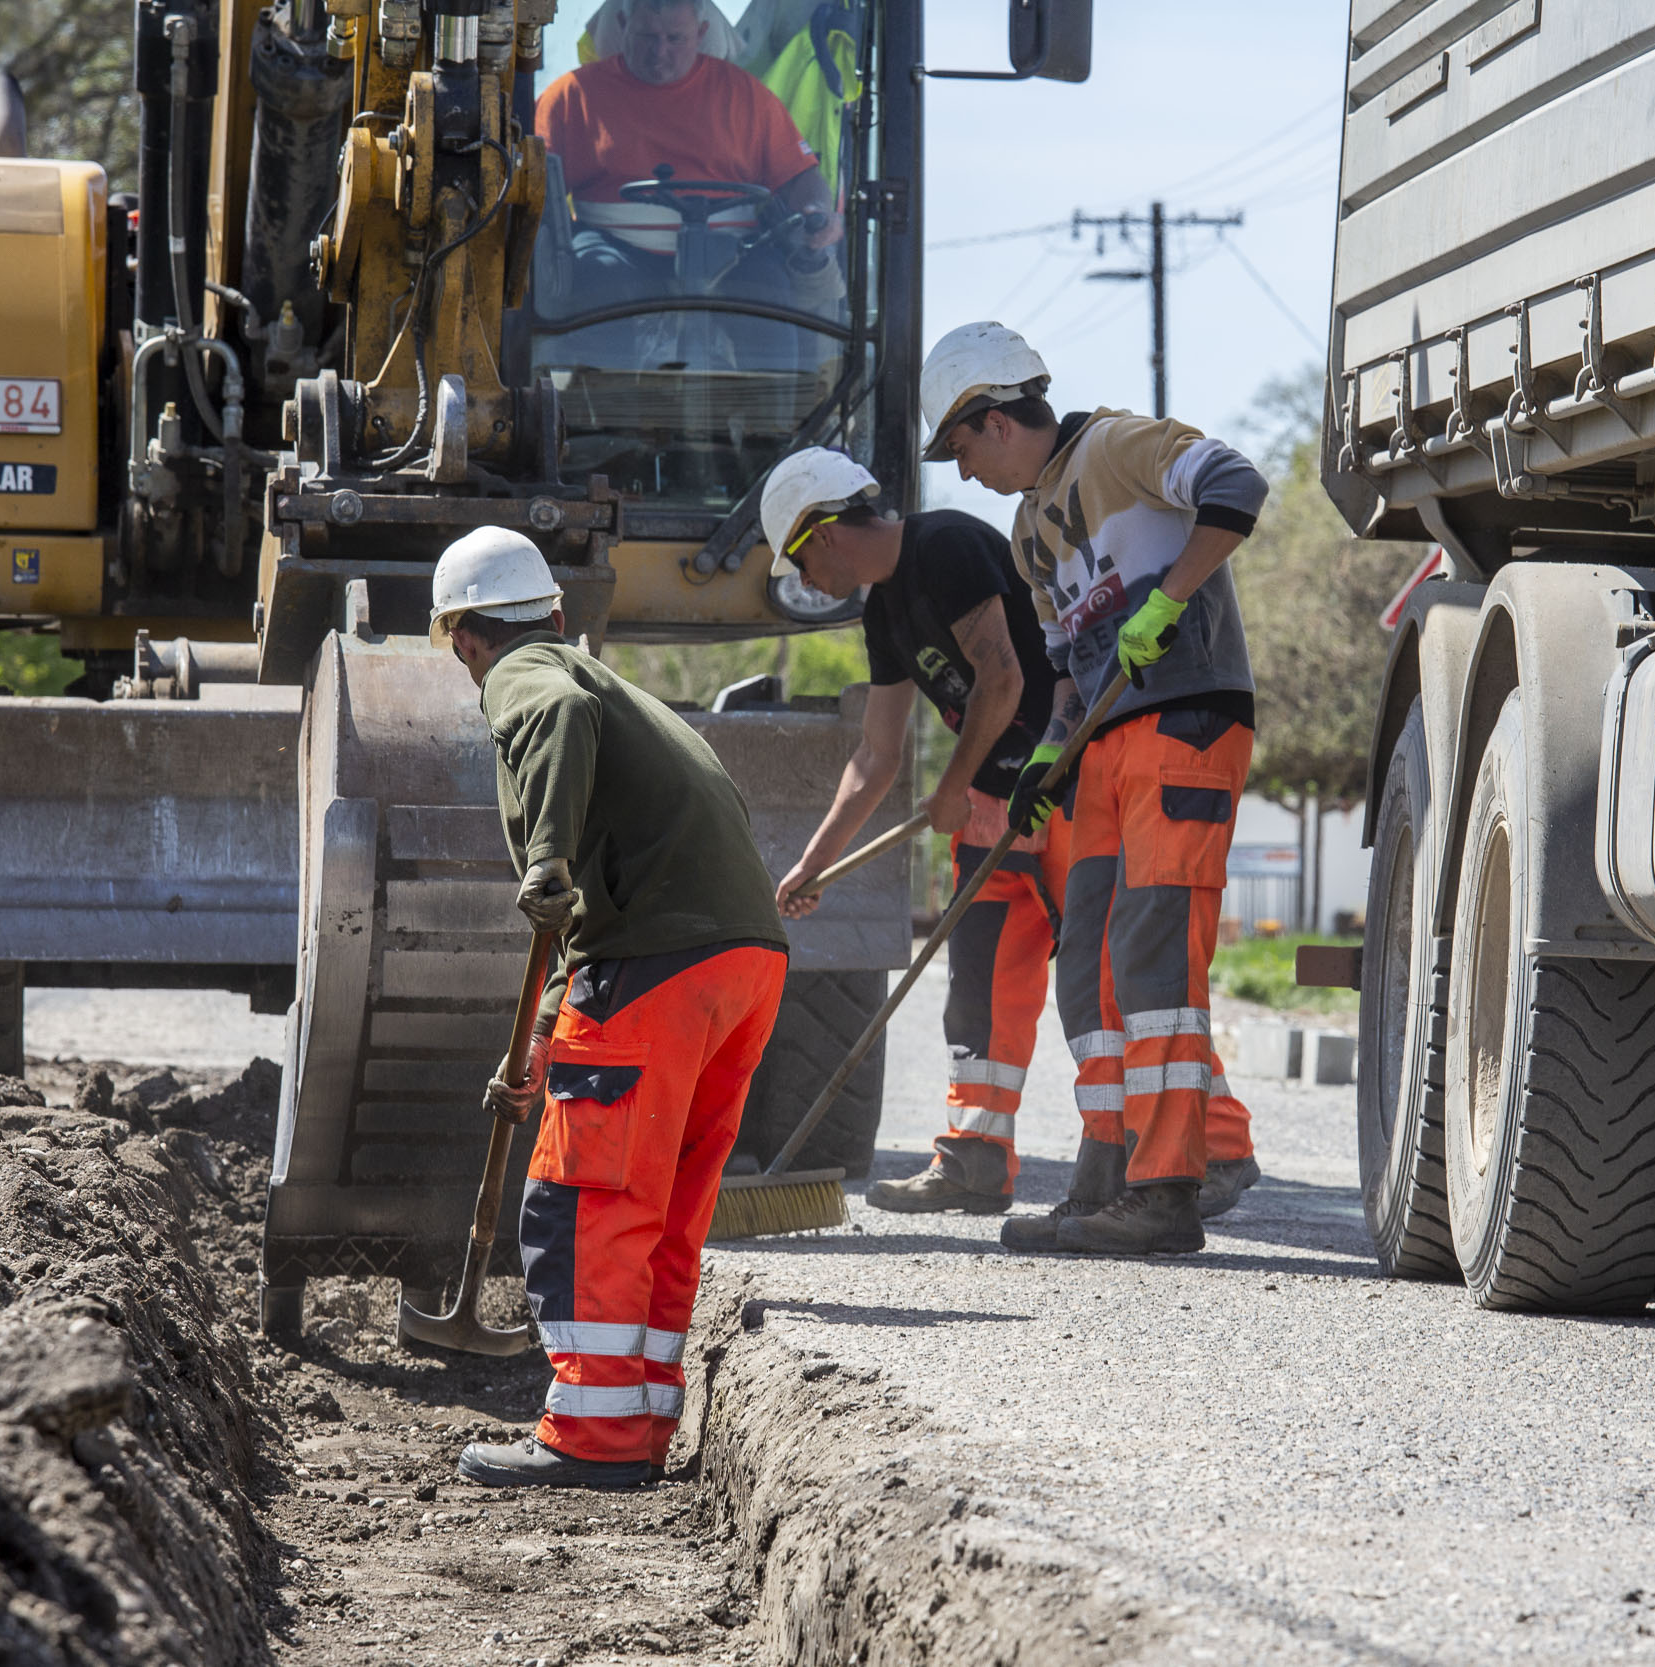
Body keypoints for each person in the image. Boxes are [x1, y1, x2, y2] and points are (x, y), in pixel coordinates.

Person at [763, 448, 1262, 1221]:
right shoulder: (883, 611)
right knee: (981, 990)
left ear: (821, 532)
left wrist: (955, 788)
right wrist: (814, 862)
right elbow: (876, 750)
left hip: (1059, 788)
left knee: (1115, 980)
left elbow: (1005, 679)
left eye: (798, 564)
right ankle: (974, 1154)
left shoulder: (947, 546)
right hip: (991, 806)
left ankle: (1217, 1142)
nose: (806, 586)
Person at [432, 527, 792, 1490]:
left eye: (461, 647)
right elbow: (593, 907)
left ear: (465, 635)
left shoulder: (531, 673)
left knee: (584, 1201)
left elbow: (541, 715)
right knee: (666, 1207)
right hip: (740, 967)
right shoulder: (628, 696)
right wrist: (547, 1040)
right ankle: (637, 1423)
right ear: (556, 607)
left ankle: (590, 1437)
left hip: (657, 965)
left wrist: (540, 860)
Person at [920, 321, 1270, 1257]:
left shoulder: (1119, 446)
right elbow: (1070, 666)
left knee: (1153, 957)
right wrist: (1047, 753)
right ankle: (1105, 1178)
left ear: (995, 420)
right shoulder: (1032, 528)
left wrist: (1172, 596)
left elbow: (1237, 485)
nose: (959, 474)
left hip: (1186, 719)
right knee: (1091, 968)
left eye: (958, 448)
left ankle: (1165, 1192)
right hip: (1106, 742)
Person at [536, 0, 840, 363]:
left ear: (701, 33)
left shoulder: (747, 97)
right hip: (615, 244)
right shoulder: (572, 97)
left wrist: (818, 210)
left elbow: (801, 177)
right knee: (598, 278)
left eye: (674, 39)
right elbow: (535, 182)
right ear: (621, 24)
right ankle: (599, 416)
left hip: (730, 251)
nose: (659, 53)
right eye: (647, 36)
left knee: (769, 291)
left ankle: (777, 418)